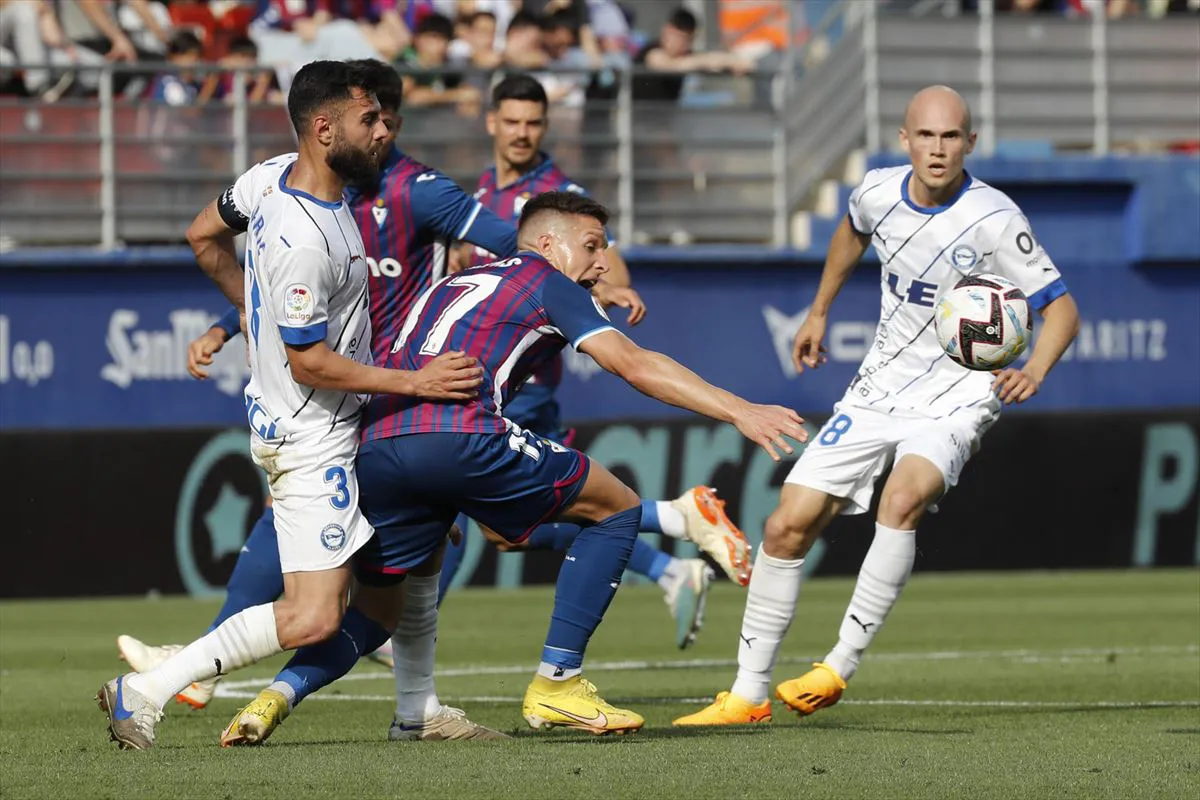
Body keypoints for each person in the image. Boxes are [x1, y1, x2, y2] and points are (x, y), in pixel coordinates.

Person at [227, 190, 809, 738]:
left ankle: (277, 695)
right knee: (615, 507)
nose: (603, 262)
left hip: (377, 443)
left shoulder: (455, 281)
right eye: (593, 245)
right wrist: (740, 410)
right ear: (550, 244)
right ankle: (560, 681)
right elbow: (633, 364)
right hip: (457, 436)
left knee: (380, 607)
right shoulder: (547, 281)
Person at [115, 59, 519, 741]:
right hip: (316, 438)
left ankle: (417, 711)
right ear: (326, 129)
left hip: (328, 423)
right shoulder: (306, 236)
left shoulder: (267, 176)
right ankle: (150, 687)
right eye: (370, 119)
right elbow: (310, 363)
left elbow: (201, 235)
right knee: (312, 616)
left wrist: (251, 310)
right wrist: (416, 383)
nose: (383, 129)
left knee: (416, 555)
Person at [674, 85, 1081, 727]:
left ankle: (838, 665)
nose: (938, 149)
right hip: (880, 386)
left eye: (952, 137)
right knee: (786, 525)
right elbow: (850, 233)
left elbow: (1062, 307)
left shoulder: (996, 217)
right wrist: (817, 311)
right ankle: (749, 695)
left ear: (970, 143)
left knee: (902, 498)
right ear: (904, 139)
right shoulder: (875, 191)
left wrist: (1034, 367)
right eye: (926, 136)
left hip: (960, 392)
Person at [446, 72, 754, 654]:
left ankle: (400, 652)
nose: (522, 132)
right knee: (502, 527)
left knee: (491, 514)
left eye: (533, 123)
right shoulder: (481, 190)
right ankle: (672, 547)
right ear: (491, 123)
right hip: (482, 376)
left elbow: (601, 260)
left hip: (519, 384)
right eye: (511, 121)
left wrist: (609, 289)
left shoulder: (559, 194)